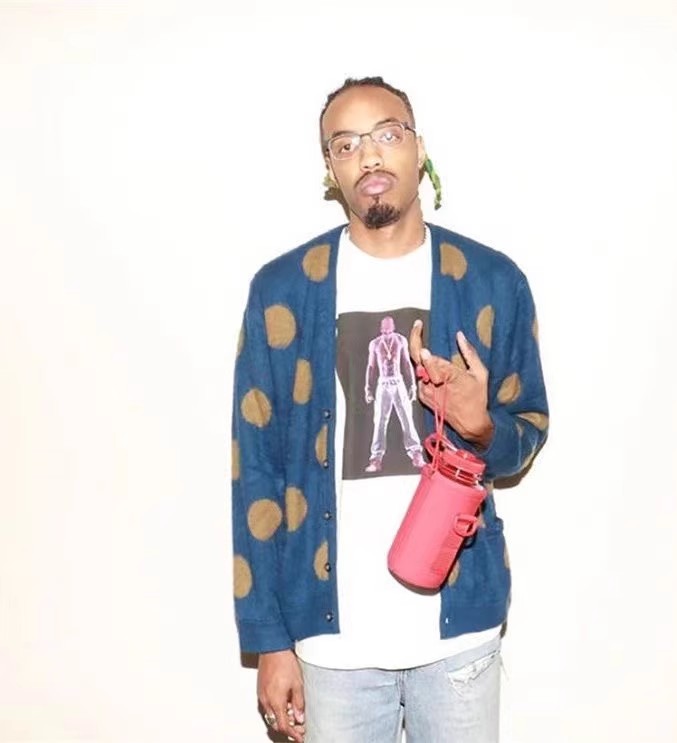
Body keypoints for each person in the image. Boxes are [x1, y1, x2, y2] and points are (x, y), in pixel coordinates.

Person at [231, 76, 549, 743]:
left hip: (459, 631)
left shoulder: (492, 281)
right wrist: (269, 639)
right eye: (346, 144)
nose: (369, 155)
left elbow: (528, 428)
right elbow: (255, 468)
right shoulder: (282, 291)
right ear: (330, 169)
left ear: (418, 149)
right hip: (331, 641)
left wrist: (480, 425)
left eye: (386, 134)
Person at [364, 315, 425, 473]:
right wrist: (368, 388)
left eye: (389, 331)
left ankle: (416, 454)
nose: (387, 334)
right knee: (379, 421)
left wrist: (412, 385)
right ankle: (376, 458)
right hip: (383, 383)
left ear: (393, 328)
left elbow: (406, 363)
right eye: (384, 332)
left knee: (407, 418)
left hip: (398, 382)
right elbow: (371, 366)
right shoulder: (375, 344)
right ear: (380, 329)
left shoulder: (400, 340)